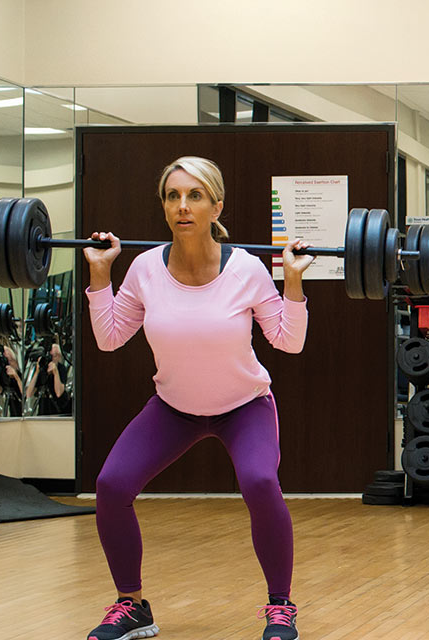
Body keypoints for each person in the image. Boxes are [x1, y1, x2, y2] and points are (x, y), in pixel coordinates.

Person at [83, 156, 312, 640]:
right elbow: (109, 337)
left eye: (195, 196)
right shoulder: (145, 268)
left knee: (259, 482)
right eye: (172, 196)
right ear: (164, 206)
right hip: (174, 408)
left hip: (244, 406)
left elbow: (288, 341)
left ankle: (280, 606)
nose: (182, 206)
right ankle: (132, 606)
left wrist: (292, 281)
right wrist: (101, 275)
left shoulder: (246, 269)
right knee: (111, 485)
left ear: (216, 206)